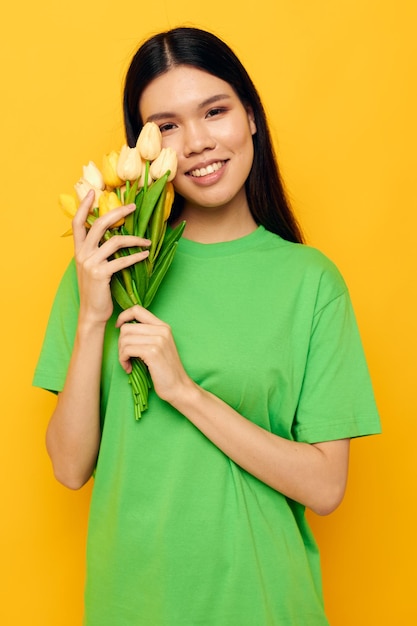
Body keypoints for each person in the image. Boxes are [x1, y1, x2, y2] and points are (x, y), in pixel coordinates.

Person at [33, 26, 381, 626]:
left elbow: (326, 487)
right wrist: (95, 315)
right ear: (144, 145)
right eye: (165, 125)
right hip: (130, 605)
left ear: (250, 116)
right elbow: (69, 468)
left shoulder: (311, 282)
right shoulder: (107, 267)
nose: (195, 142)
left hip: (264, 603)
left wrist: (184, 391)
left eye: (214, 111)